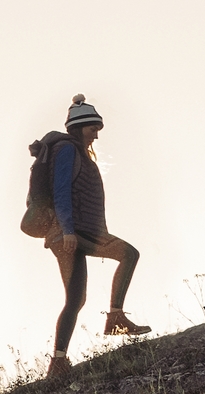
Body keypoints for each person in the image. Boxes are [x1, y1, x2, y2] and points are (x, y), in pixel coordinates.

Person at [42, 95, 147, 379]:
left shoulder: (76, 151)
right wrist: (67, 230)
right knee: (129, 254)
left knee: (76, 299)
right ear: (79, 127)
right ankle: (114, 317)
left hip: (75, 232)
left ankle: (59, 362)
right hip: (72, 233)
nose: (97, 134)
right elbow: (61, 191)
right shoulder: (67, 150)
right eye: (93, 128)